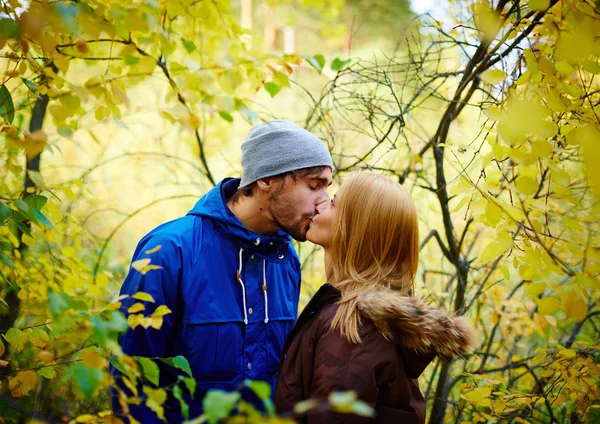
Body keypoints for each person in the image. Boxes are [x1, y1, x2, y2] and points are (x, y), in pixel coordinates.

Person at [111, 120, 333, 423]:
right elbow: (131, 382)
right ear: (267, 179)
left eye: (326, 187)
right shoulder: (169, 251)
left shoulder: (286, 261)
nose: (324, 201)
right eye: (313, 184)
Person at [274, 172, 475, 423]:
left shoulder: (352, 327)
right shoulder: (364, 317)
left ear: (356, 229)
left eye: (334, 204)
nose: (320, 204)